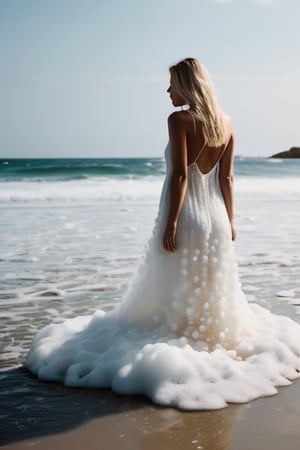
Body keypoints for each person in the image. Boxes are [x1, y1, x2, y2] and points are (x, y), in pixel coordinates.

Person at [25, 58, 300, 410]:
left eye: (172, 83)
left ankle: (180, 344)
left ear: (187, 85)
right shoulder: (227, 122)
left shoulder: (179, 119)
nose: (168, 91)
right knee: (208, 287)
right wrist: (230, 221)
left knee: (176, 285)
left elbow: (181, 177)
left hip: (188, 216)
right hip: (216, 217)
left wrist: (171, 223)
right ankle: (208, 344)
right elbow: (227, 179)